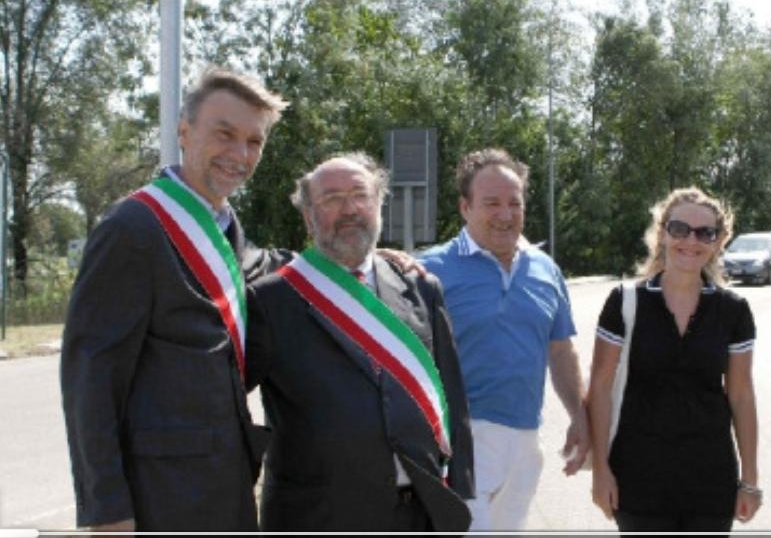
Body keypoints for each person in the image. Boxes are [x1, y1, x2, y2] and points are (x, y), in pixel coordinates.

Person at [60, 69, 288, 531]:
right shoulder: (132, 228)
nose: (240, 154)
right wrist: (107, 511)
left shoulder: (227, 231)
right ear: (184, 132)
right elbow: (91, 379)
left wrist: (371, 259)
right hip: (160, 496)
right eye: (224, 134)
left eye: (254, 141)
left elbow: (272, 265)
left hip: (227, 485)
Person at [245, 153, 474, 532]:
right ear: (308, 216)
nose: (350, 209)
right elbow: (224, 403)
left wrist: (458, 492)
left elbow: (452, 394)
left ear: (379, 204)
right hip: (317, 517)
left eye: (360, 195)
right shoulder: (270, 300)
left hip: (418, 513)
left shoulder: (420, 287)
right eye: (332, 198)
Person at [416, 148, 590, 531]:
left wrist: (580, 415)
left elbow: (560, 350)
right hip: (459, 441)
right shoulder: (428, 270)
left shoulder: (546, 269)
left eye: (515, 203)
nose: (506, 214)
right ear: (465, 207)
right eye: (492, 203)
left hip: (526, 441)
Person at [587, 187, 760, 533]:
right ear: (663, 232)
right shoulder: (624, 302)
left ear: (718, 241)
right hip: (637, 478)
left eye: (705, 233)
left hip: (711, 479)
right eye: (680, 229)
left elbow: (741, 396)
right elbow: (601, 388)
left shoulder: (733, 310)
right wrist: (600, 470)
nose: (691, 241)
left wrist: (750, 480)